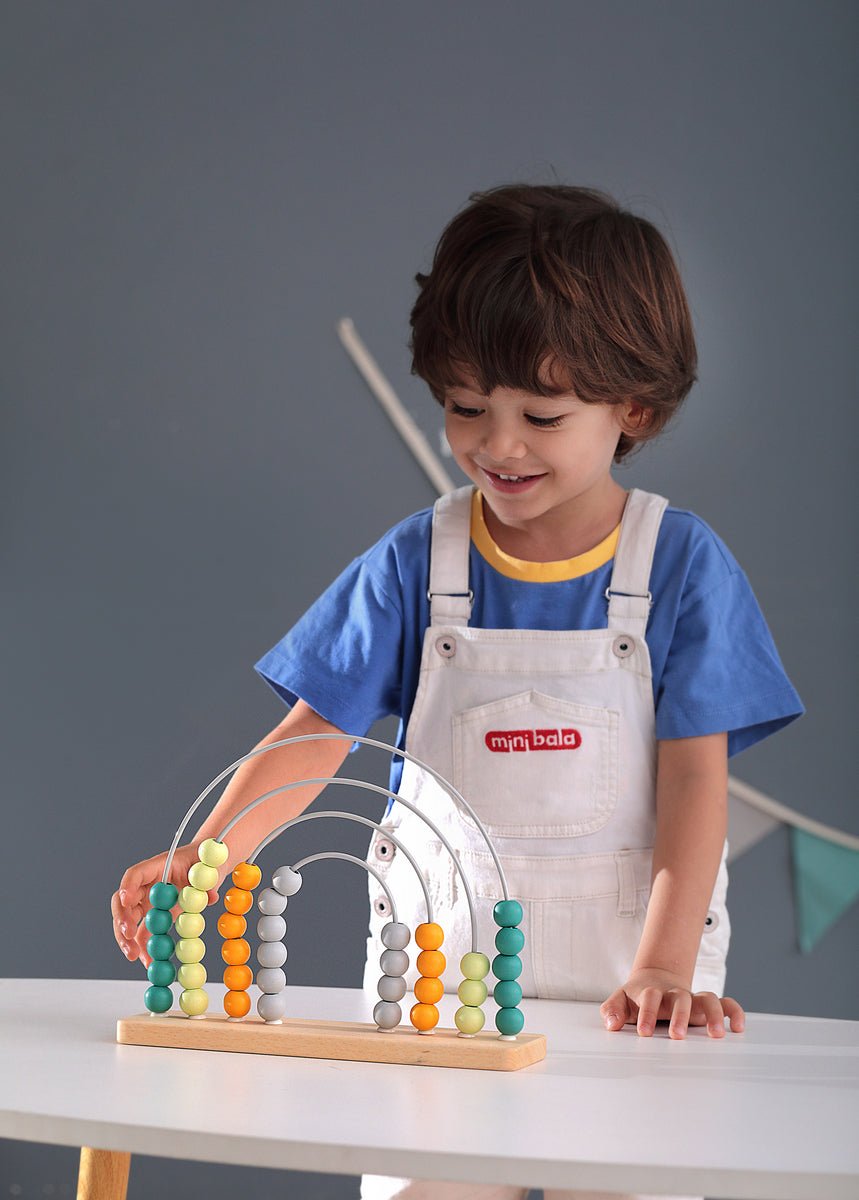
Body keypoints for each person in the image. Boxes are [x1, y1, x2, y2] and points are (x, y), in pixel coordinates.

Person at [111, 184, 804, 1200]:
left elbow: (697, 787)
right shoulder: (415, 563)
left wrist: (664, 967)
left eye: (542, 414)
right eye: (466, 407)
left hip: (635, 998)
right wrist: (209, 858)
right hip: (437, 1003)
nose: (499, 445)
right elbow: (313, 734)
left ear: (634, 410)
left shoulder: (683, 567)